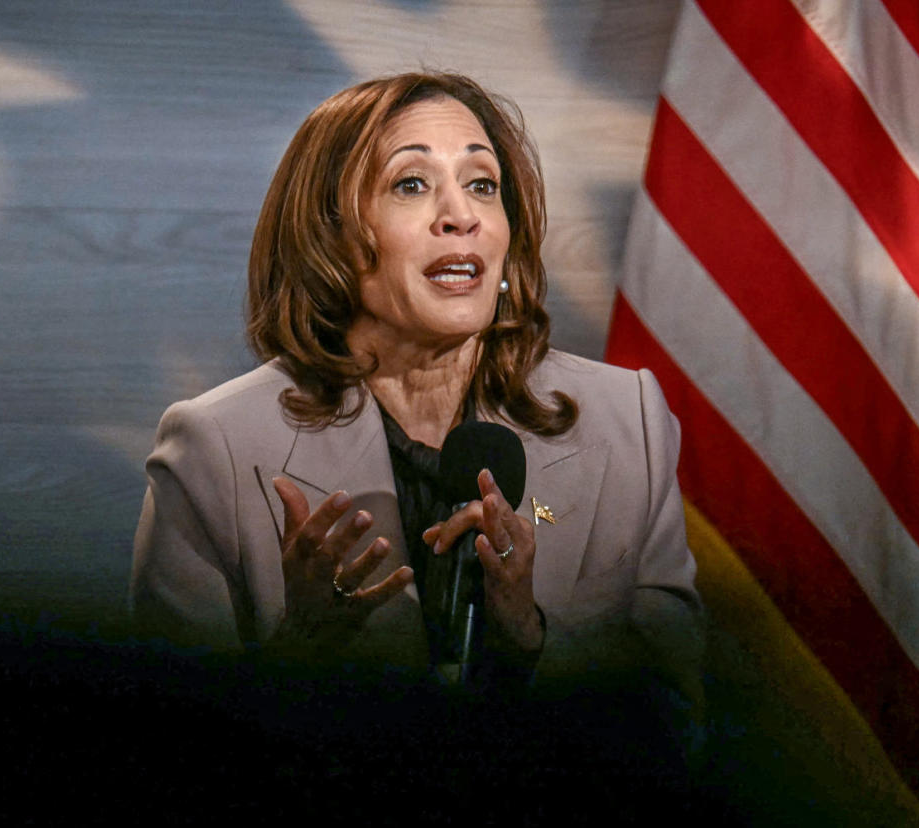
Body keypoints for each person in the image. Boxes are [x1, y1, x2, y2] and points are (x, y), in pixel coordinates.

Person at [129, 72, 703, 711]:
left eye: (482, 185)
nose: (462, 216)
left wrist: (530, 638)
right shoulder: (215, 450)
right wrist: (298, 658)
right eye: (411, 184)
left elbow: (675, 725)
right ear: (331, 239)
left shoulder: (631, 423)